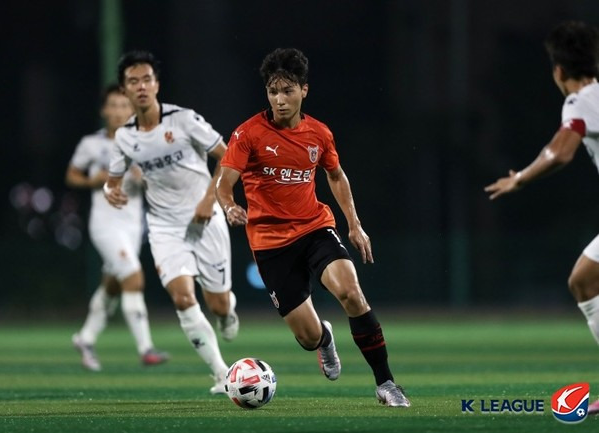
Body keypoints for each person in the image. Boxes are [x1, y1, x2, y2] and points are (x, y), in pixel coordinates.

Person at [215, 47, 410, 407]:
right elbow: (224, 183)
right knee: (306, 337)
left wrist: (355, 224)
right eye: (273, 92)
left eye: (287, 91)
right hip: (270, 244)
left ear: (304, 90)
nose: (279, 99)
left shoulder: (319, 134)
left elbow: (335, 175)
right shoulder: (248, 135)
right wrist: (229, 206)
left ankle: (386, 383)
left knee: (351, 292)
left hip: (314, 228)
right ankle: (324, 339)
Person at [103, 50, 239, 394]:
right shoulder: (124, 136)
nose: (141, 86)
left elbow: (228, 157)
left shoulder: (183, 120)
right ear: (125, 89)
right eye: (133, 81)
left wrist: (210, 201)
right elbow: (112, 179)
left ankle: (227, 311)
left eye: (147, 79)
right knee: (181, 298)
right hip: (164, 227)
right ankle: (222, 374)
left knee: (218, 304)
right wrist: (110, 190)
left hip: (205, 219)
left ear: (157, 84)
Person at [484, 20, 599, 415]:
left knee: (584, 280)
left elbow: (560, 151)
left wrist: (520, 179)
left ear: (559, 71)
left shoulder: (580, 100)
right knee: (584, 279)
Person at [66, 84, 169, 371]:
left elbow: (159, 181)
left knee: (112, 285)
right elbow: (72, 175)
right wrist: (92, 180)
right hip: (105, 224)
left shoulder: (145, 142)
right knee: (134, 278)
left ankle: (85, 338)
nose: (119, 111)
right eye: (114, 105)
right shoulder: (91, 144)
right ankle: (146, 348)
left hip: (133, 226)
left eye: (124, 106)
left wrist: (144, 177)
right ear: (104, 110)